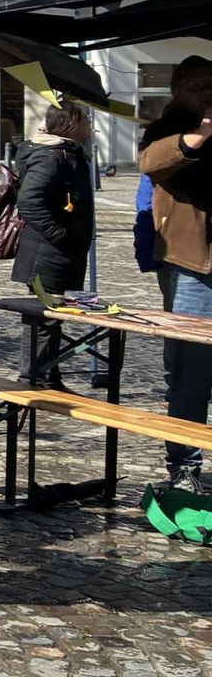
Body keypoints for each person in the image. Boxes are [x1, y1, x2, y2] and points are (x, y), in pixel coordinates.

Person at [138, 56, 212, 491]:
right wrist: (200, 135)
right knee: (191, 370)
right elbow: (151, 163)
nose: (207, 90)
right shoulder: (166, 129)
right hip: (192, 265)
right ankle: (184, 466)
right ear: (178, 90)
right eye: (197, 84)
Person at [12, 101, 96, 389]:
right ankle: (32, 381)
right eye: (86, 119)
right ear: (71, 123)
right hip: (47, 256)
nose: (90, 125)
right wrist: (59, 234)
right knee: (42, 322)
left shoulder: (69, 153)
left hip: (63, 255)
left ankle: (49, 376)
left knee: (54, 318)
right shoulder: (51, 157)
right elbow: (29, 201)